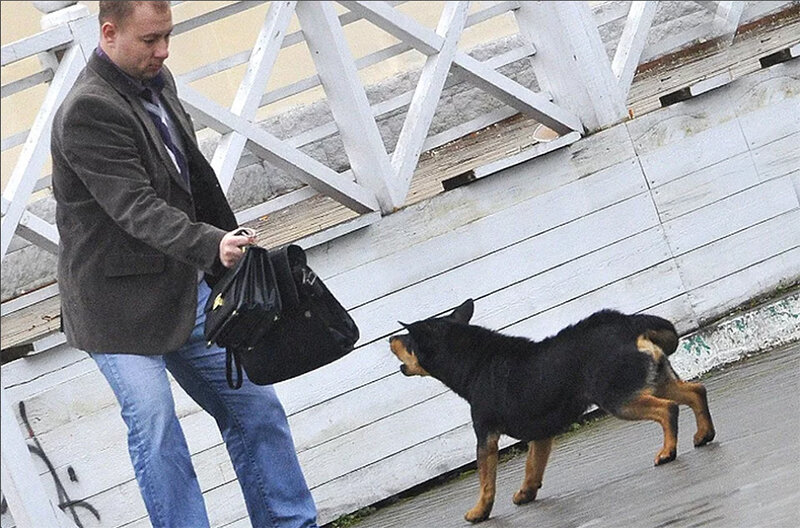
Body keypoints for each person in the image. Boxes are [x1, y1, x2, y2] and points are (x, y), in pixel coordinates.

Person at [50, 2, 318, 526]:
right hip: (115, 310)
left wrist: (227, 257)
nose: (163, 50)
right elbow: (136, 207)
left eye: (167, 36)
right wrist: (210, 244)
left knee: (257, 408)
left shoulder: (156, 79)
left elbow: (194, 178)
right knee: (156, 427)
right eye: (150, 40)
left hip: (182, 285)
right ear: (109, 32)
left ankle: (292, 523)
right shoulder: (88, 110)